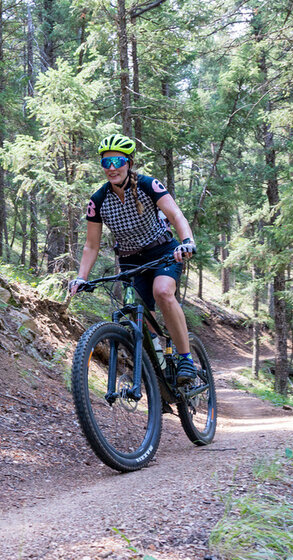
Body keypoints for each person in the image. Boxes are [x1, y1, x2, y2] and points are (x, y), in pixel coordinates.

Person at [69, 133, 198, 383]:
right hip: (130, 260)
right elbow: (91, 245)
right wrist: (80, 278)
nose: (112, 168)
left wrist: (186, 242)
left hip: (162, 252)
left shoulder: (149, 185)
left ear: (129, 162)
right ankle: (157, 366)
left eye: (118, 161)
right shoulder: (98, 200)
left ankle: (185, 359)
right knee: (134, 313)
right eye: (106, 163)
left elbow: (176, 216)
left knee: (162, 292)